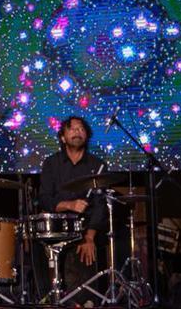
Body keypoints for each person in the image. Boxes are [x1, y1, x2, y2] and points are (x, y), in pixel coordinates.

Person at [38, 116, 107, 306]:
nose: (77, 132)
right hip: (57, 228)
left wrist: (89, 237)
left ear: (87, 135)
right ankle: (53, 298)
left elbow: (100, 206)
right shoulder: (51, 164)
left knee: (85, 254)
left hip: (85, 230)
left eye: (81, 129)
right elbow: (44, 198)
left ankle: (85, 301)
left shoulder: (97, 165)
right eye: (72, 129)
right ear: (62, 137)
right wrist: (69, 204)